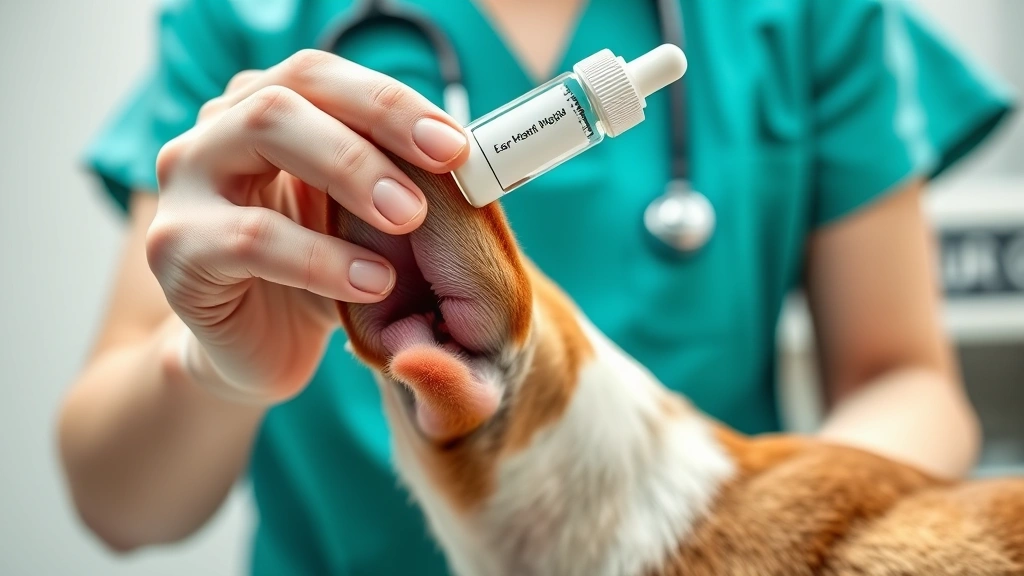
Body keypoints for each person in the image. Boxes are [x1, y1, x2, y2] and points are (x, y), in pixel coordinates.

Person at [58, 0, 1015, 573]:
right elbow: (118, 505)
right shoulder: (245, 20)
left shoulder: (803, 17)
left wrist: (772, 540)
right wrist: (218, 370)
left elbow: (904, 378)